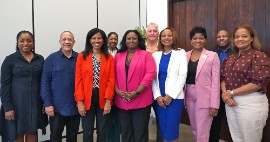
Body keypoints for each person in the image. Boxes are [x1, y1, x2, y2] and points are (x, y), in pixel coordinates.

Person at [221, 25, 270, 142]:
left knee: (251, 138)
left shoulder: (258, 56)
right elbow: (223, 78)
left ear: (252, 38)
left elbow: (258, 83)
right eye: (237, 37)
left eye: (244, 36)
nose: (240, 39)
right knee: (236, 135)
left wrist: (231, 93)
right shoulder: (230, 58)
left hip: (251, 103)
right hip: (230, 101)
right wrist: (225, 95)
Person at [0, 31, 47, 142]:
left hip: (35, 103)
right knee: (17, 133)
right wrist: (7, 107)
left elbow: (44, 82)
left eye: (29, 41)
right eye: (22, 41)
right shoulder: (10, 60)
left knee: (32, 131)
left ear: (33, 43)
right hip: (16, 104)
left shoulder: (40, 59)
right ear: (17, 43)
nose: (25, 43)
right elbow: (4, 84)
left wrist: (46, 101)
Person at [114, 30, 156, 142]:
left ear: (139, 41)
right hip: (122, 100)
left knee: (140, 133)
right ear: (125, 41)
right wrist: (117, 90)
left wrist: (137, 92)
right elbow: (112, 75)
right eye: (129, 38)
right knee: (126, 132)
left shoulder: (146, 55)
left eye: (134, 38)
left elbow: (150, 74)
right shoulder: (118, 56)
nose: (131, 40)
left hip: (141, 100)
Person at [75, 28, 115, 142]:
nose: (96, 40)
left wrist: (108, 101)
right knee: (87, 130)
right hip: (86, 98)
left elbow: (111, 80)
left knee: (102, 130)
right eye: (93, 38)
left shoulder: (109, 58)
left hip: (103, 97)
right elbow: (78, 80)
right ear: (89, 40)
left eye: (99, 38)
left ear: (103, 40)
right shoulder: (82, 56)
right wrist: (80, 102)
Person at [40, 31, 80, 142]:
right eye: (64, 39)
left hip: (76, 107)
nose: (67, 42)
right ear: (59, 42)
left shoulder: (80, 58)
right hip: (56, 108)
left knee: (73, 136)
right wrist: (47, 104)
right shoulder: (51, 59)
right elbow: (44, 83)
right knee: (55, 137)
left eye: (69, 39)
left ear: (74, 42)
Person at [152, 27, 187, 142]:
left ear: (174, 37)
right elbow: (153, 78)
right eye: (164, 36)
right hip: (160, 99)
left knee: (171, 131)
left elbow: (182, 75)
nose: (166, 38)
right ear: (160, 38)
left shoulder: (180, 53)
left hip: (175, 98)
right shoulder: (155, 55)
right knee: (163, 129)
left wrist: (170, 95)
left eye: (169, 35)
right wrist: (157, 96)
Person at [185, 26, 220, 142]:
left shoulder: (212, 55)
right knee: (194, 128)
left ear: (205, 40)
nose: (198, 41)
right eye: (195, 38)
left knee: (203, 130)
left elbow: (216, 82)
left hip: (205, 98)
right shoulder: (185, 55)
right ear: (191, 40)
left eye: (201, 38)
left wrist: (214, 104)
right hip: (189, 97)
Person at [209, 30, 233, 142]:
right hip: (215, 92)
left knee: (235, 121)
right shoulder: (210, 52)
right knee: (215, 122)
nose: (221, 38)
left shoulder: (236, 51)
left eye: (224, 36)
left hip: (234, 91)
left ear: (229, 38)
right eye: (219, 36)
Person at [145, 22, 162, 142]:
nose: (152, 33)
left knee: (160, 120)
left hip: (160, 87)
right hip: (143, 88)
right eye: (150, 31)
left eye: (154, 31)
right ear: (146, 33)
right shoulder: (140, 47)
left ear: (158, 33)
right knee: (142, 121)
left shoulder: (163, 46)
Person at [106, 32, 121, 142]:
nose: (113, 41)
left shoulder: (121, 53)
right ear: (107, 40)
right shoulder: (103, 53)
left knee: (118, 118)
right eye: (111, 39)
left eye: (115, 39)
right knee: (107, 118)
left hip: (119, 88)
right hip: (106, 88)